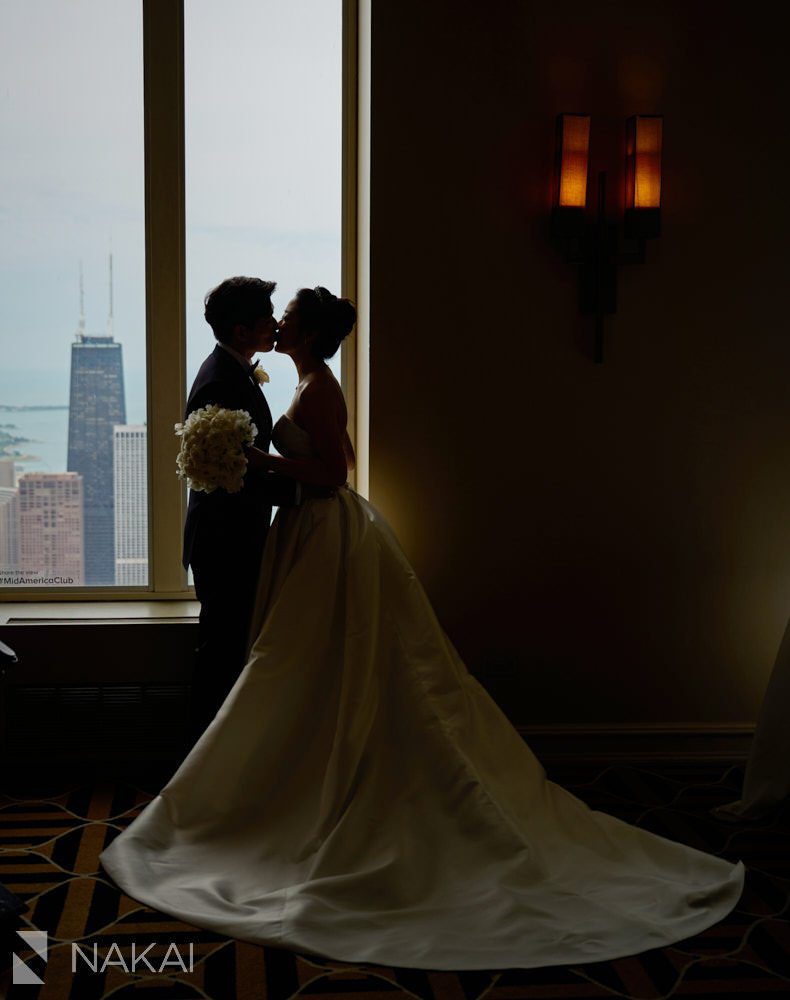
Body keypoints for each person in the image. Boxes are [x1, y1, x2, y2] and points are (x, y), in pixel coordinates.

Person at [99, 286, 745, 972]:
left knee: (313, 658)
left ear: (310, 336)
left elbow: (331, 472)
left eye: (286, 321)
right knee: (298, 661)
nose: (277, 326)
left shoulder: (318, 384)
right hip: (302, 533)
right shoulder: (300, 378)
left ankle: (295, 786)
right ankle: (269, 777)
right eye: (273, 319)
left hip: (323, 529)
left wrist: (260, 462)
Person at [182, 276, 299, 746]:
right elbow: (234, 477)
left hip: (234, 539)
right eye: (265, 319)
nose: (274, 325)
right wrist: (299, 492)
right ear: (239, 331)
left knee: (230, 651)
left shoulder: (235, 371)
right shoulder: (220, 384)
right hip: (224, 542)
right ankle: (201, 767)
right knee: (222, 655)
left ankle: (217, 759)